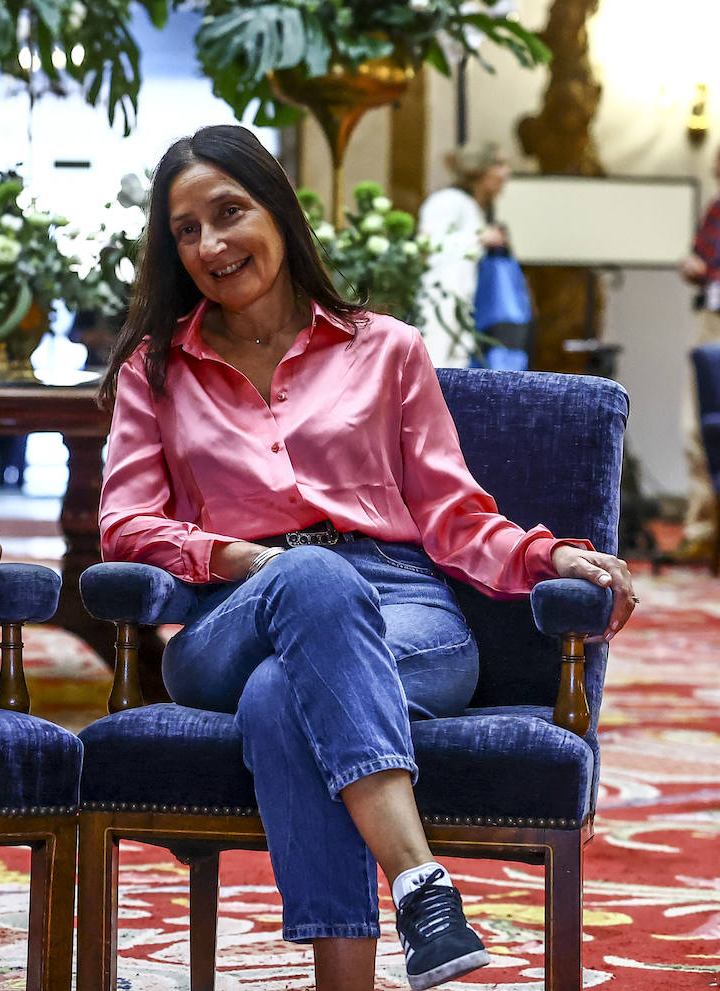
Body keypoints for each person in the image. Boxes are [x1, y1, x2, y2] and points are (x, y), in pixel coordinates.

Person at [96, 124, 637, 991]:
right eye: (186, 230)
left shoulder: (385, 347)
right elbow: (125, 523)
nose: (210, 244)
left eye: (229, 212)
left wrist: (551, 555)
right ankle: (419, 879)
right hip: (227, 620)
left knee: (285, 691)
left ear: (279, 208)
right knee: (305, 578)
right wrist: (235, 556)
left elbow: (453, 516)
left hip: (402, 607)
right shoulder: (156, 371)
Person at [417, 143, 511, 367]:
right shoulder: (447, 200)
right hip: (439, 309)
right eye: (499, 164)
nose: (506, 173)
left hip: (461, 308)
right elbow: (428, 244)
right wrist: (479, 238)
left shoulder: (472, 207)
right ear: (478, 170)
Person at [677, 145, 720, 562]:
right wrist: (694, 267)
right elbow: (703, 260)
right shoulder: (715, 210)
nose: (714, 166)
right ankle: (701, 528)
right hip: (712, 317)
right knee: (698, 427)